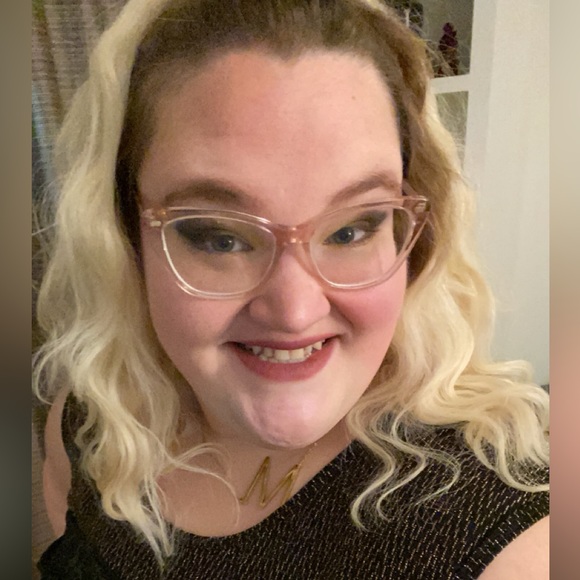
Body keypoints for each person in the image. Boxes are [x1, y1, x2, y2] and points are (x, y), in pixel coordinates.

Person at [33, 0, 549, 578]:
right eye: (219, 237)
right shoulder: (92, 427)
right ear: (122, 235)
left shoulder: (510, 543)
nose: (296, 312)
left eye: (352, 229)